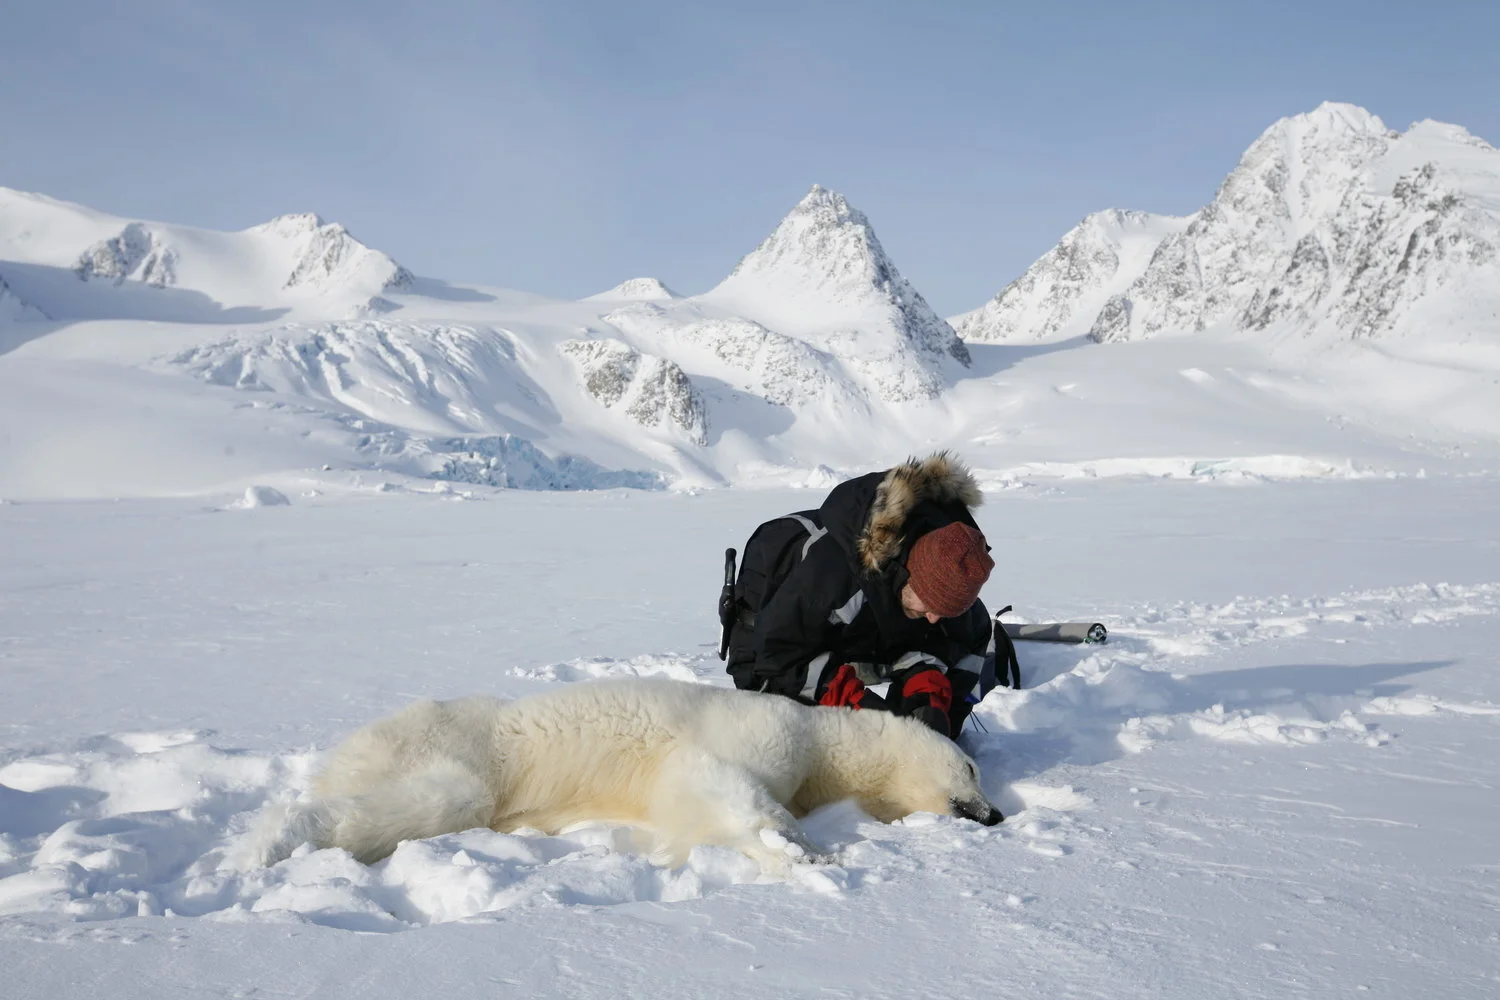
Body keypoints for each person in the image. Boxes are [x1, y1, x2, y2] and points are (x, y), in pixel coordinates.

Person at [725, 452, 994, 738]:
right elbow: (776, 658)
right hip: (773, 639)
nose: (933, 618)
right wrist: (857, 706)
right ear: (907, 576)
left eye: (945, 611)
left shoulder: (949, 573)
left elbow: (949, 639)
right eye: (929, 605)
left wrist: (929, 700)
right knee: (790, 735)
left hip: (861, 626)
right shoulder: (831, 573)